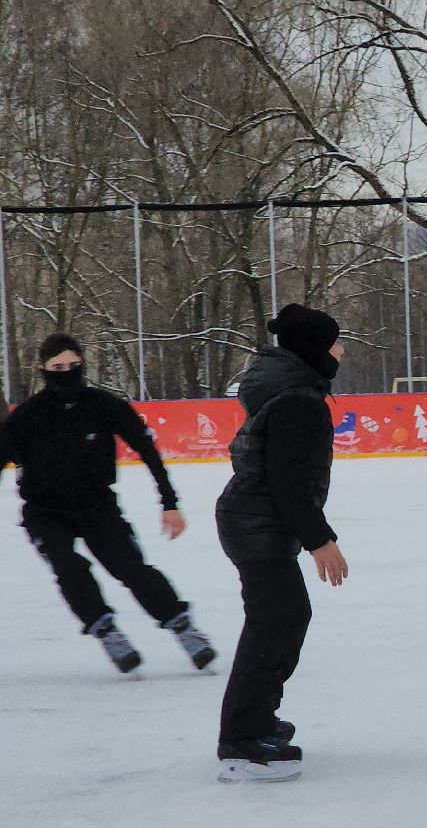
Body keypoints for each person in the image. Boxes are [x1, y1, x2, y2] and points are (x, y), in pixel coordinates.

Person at [0, 333, 215, 673]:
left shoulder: (103, 405)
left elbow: (147, 450)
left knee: (129, 567)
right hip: (45, 513)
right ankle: (106, 630)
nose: (66, 372)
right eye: (58, 367)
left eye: (73, 365)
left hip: (98, 506)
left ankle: (183, 627)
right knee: (68, 566)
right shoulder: (27, 417)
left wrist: (169, 502)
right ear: (42, 368)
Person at [213, 304, 350, 783]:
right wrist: (321, 540)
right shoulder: (298, 401)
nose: (340, 351)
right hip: (258, 523)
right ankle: (242, 740)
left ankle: (255, 720)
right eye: (335, 343)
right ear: (314, 349)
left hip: (254, 520)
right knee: (277, 620)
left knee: (283, 617)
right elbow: (287, 482)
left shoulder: (292, 391)